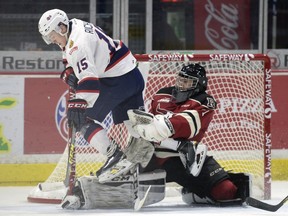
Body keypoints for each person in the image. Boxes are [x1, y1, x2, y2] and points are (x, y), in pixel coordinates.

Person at [38, 9, 148, 181]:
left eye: (52, 35)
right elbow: (68, 53)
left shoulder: (77, 45)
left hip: (117, 81)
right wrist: (69, 69)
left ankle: (114, 156)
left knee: (82, 119)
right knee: (137, 129)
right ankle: (153, 164)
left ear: (61, 27)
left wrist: (79, 103)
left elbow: (90, 83)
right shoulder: (73, 25)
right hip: (131, 75)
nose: (52, 40)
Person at [127, 63, 250, 205]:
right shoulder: (162, 94)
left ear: (199, 84)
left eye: (187, 81)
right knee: (116, 188)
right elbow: (147, 128)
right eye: (180, 79)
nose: (181, 84)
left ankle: (193, 191)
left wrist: (157, 127)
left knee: (227, 192)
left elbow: (185, 125)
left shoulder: (204, 101)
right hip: (152, 155)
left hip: (187, 160)